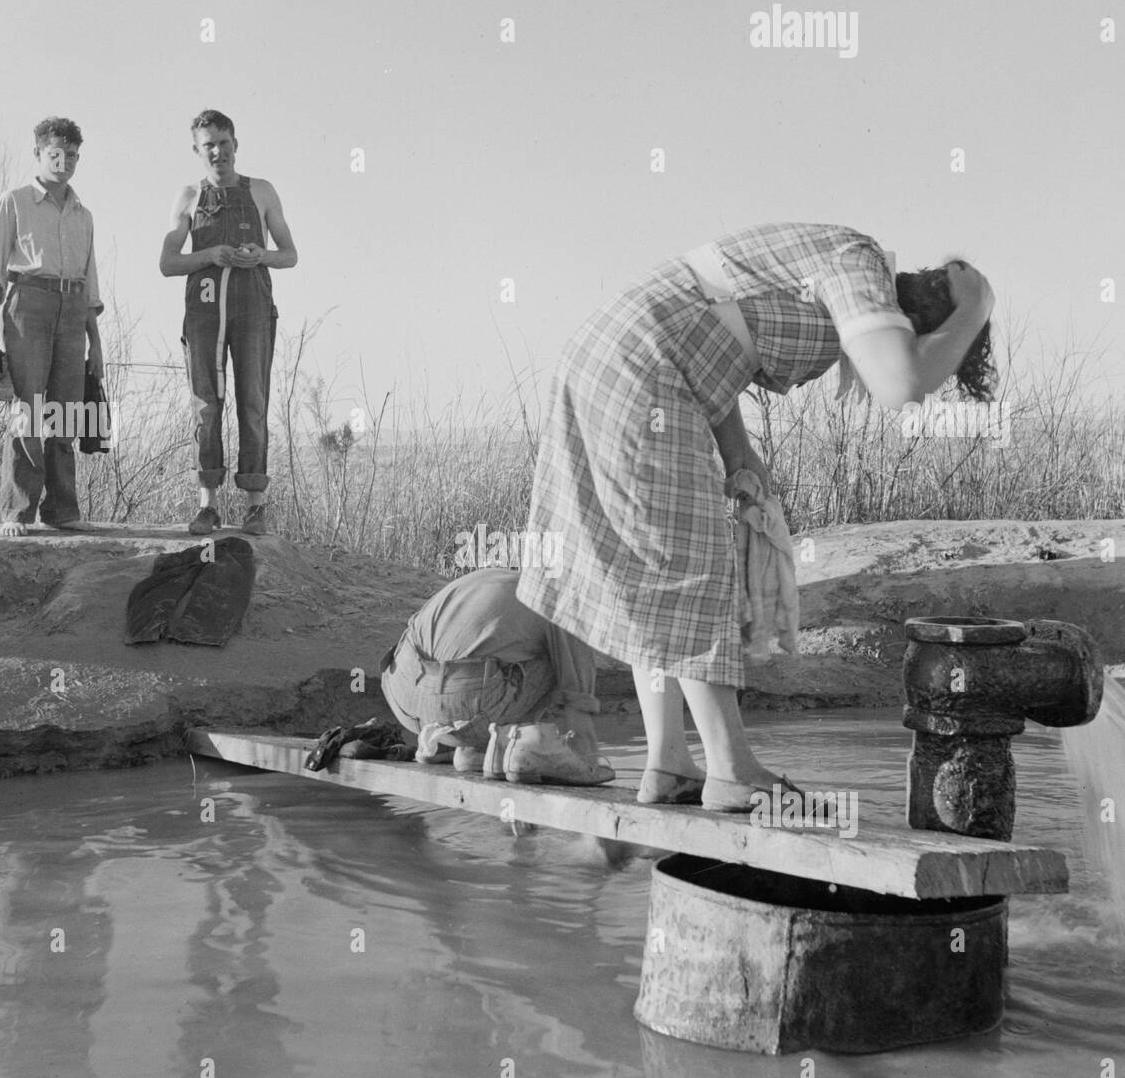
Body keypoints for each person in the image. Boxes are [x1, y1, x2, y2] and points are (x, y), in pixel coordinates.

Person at [515, 222, 996, 810]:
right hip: (645, 370)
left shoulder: (840, 272)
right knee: (693, 574)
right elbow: (901, 383)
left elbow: (717, 332)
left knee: (657, 571)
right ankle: (731, 769)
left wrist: (738, 449)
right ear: (921, 327)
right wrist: (977, 308)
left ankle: (668, 762)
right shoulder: (859, 264)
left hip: (627, 361)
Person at [160, 109, 298, 537]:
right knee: (206, 405)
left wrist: (262, 255)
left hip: (253, 307)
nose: (217, 152)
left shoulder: (261, 191)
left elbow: (289, 254)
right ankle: (208, 504)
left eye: (222, 142)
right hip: (204, 313)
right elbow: (168, 262)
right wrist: (210, 254)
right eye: (208, 146)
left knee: (253, 402)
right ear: (197, 151)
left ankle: (256, 505)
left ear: (235, 144)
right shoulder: (188, 197)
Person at [0, 117, 104, 538]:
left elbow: (89, 286)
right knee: (28, 410)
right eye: (55, 154)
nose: (63, 162)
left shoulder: (83, 214)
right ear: (38, 154)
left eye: (71, 155)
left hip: (72, 309)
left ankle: (62, 508)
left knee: (67, 411)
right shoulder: (14, 201)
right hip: (27, 303)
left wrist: (96, 346)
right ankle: (17, 510)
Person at [379, 566, 612, 785]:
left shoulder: (497, 579)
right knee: (561, 659)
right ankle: (511, 746)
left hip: (402, 693)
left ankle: (468, 751)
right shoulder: (566, 599)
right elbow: (577, 701)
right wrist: (586, 752)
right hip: (460, 701)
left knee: (510, 649)